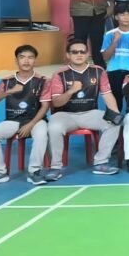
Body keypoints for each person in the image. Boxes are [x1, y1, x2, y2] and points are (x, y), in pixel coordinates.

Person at [46, 40, 122, 180]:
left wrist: (115, 113)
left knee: (114, 122)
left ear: (88, 54)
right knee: (54, 127)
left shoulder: (98, 71)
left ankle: (101, 162)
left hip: (90, 113)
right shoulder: (60, 74)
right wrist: (71, 91)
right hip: (65, 114)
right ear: (68, 55)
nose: (79, 54)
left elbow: (107, 95)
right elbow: (56, 102)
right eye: (75, 52)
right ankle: (55, 167)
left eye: (82, 51)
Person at [0, 45, 50, 186]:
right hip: (13, 120)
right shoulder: (6, 81)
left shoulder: (43, 80)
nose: (26, 61)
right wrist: (8, 92)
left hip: (36, 120)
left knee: (42, 134)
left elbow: (45, 107)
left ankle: (34, 172)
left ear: (35, 61)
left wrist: (31, 124)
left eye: (30, 57)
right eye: (22, 57)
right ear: (16, 60)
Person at [101, 4, 129, 110]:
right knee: (114, 103)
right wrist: (115, 41)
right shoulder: (109, 34)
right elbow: (105, 57)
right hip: (113, 71)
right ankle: (113, 120)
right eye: (122, 14)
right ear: (116, 17)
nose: (126, 17)